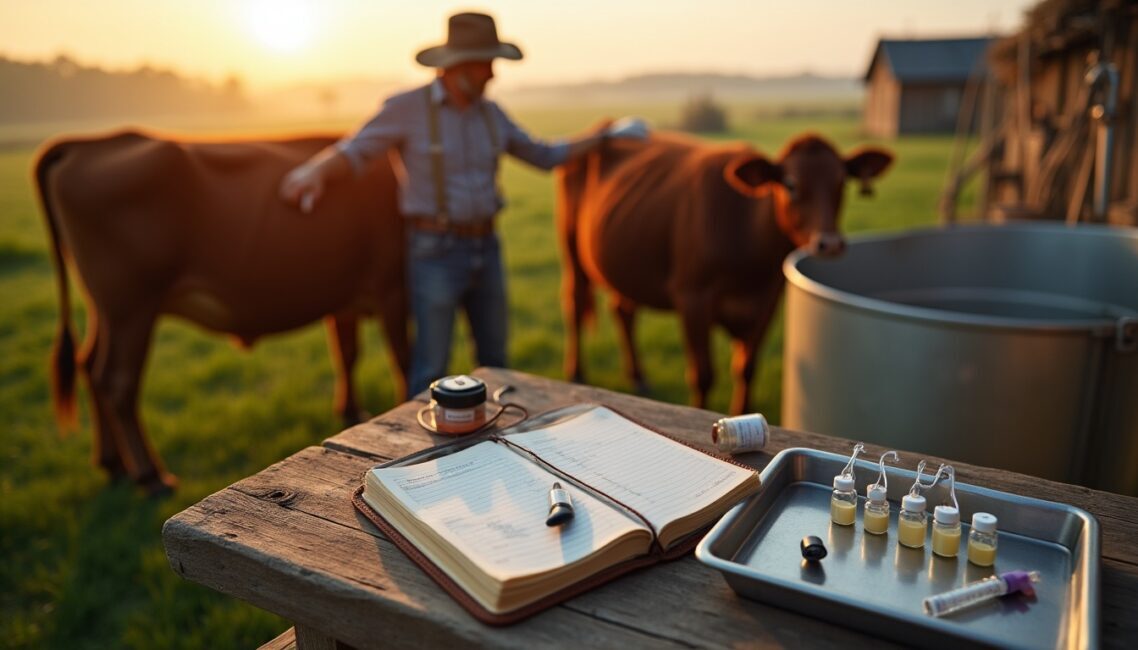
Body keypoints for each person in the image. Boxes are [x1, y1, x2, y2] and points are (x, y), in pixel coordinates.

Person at [279, 12, 610, 395]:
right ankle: (424, 433)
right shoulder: (408, 108)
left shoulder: (491, 114)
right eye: (485, 64)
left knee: (497, 365)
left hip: (487, 246)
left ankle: (497, 430)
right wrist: (315, 171)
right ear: (458, 67)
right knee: (430, 368)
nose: (492, 74)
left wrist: (601, 137)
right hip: (435, 250)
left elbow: (543, 155)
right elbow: (357, 150)